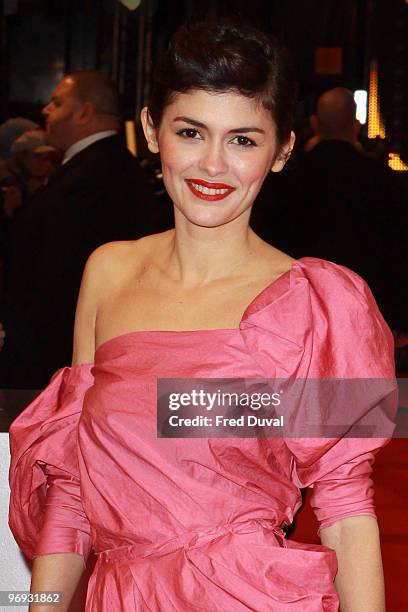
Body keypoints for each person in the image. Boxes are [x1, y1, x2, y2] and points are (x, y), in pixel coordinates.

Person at [9, 21, 395, 611]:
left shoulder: (321, 304)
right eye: (191, 132)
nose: (212, 164)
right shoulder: (109, 274)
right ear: (151, 130)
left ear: (283, 150)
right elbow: (71, 487)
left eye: (243, 139)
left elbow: (346, 507)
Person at [0, 71, 162, 389]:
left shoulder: (93, 178)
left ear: (84, 113)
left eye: (57, 102)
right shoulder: (96, 167)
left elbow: (57, 282)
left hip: (57, 365)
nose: (46, 110)